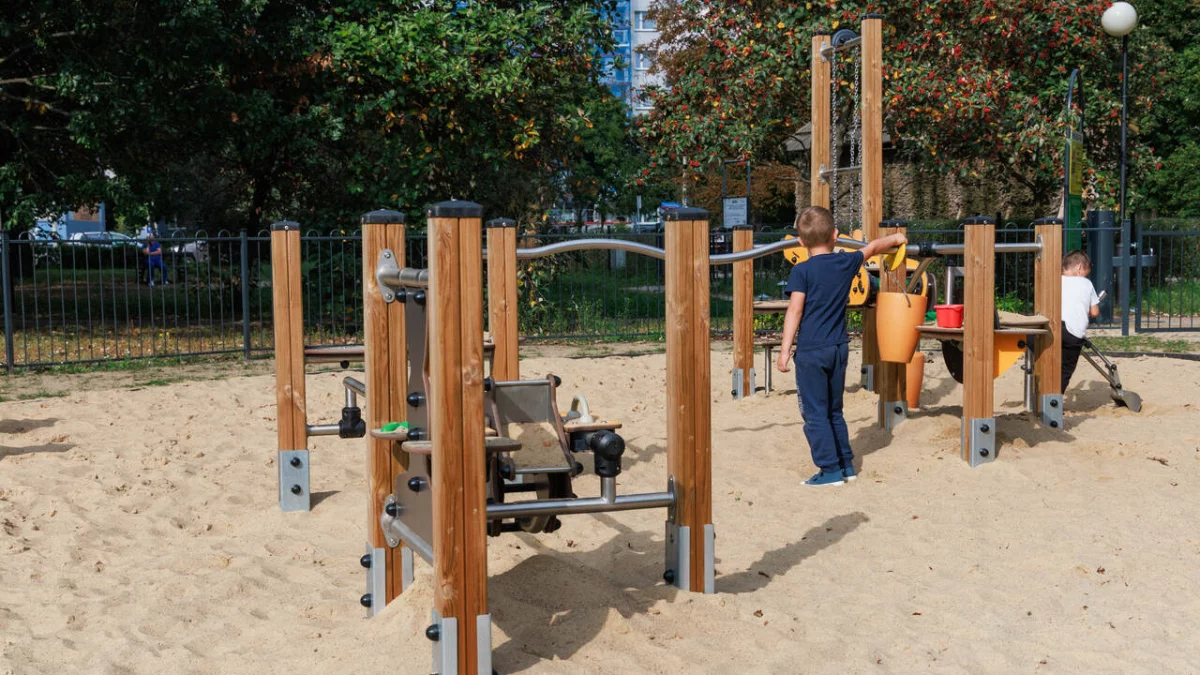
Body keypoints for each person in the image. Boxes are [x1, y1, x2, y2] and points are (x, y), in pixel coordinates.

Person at [775, 206, 907, 487]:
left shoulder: (801, 271)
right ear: (835, 235)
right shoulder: (846, 262)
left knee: (815, 412)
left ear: (800, 242)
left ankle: (830, 469)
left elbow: (795, 311)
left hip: (811, 352)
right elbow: (873, 247)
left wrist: (785, 350)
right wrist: (897, 239)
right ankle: (846, 464)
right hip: (839, 348)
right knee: (834, 410)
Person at [1061, 250, 1100, 390]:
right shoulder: (1086, 283)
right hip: (1073, 334)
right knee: (1065, 369)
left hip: (1052, 327)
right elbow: (1094, 312)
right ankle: (1055, 398)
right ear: (1079, 267)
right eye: (1085, 273)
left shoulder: (1054, 280)